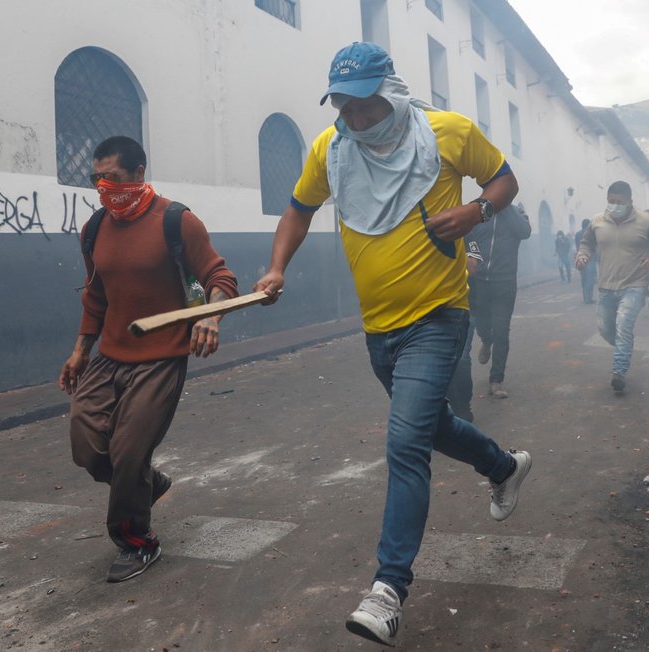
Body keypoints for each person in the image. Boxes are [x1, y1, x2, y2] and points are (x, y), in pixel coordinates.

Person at [253, 42, 531, 647]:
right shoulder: (332, 149)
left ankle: (388, 590)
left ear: (392, 92)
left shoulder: (448, 132)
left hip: (439, 316)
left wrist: (475, 212)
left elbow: (505, 180)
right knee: (431, 426)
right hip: (379, 330)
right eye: (344, 106)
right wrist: (277, 269)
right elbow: (298, 210)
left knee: (406, 442)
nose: (354, 118)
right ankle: (504, 467)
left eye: (365, 105)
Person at [59, 136, 238, 583]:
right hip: (109, 355)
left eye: (113, 178)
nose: (104, 187)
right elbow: (95, 295)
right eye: (98, 179)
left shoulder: (178, 222)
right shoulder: (95, 228)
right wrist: (80, 351)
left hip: (161, 357)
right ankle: (148, 485)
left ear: (139, 174)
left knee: (128, 451)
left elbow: (220, 277)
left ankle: (137, 541)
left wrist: (211, 317)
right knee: (87, 447)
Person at [576, 180, 649, 392]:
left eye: (619, 202)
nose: (614, 205)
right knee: (606, 330)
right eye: (610, 201)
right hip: (607, 286)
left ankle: (619, 372)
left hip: (635, 284)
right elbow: (586, 243)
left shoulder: (646, 221)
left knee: (623, 326)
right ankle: (624, 346)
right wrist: (582, 256)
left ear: (629, 202)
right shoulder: (597, 221)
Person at [467, 203, 531, 399]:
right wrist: (473, 256)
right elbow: (468, 236)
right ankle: (487, 340)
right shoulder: (477, 208)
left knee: (502, 330)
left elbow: (525, 232)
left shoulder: (516, 212)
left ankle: (496, 380)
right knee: (482, 324)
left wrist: (506, 207)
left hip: (505, 282)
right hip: (479, 282)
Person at [445, 249, 483, 422]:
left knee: (461, 358)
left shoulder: (465, 231)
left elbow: (473, 265)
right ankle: (453, 406)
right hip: (431, 312)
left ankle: (462, 406)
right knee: (443, 362)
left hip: (463, 307)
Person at [575, 218, 596, 304]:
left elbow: (576, 245)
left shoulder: (577, 234)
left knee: (584, 278)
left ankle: (585, 297)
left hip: (580, 258)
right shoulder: (591, 233)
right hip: (590, 258)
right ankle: (588, 298)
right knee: (590, 279)